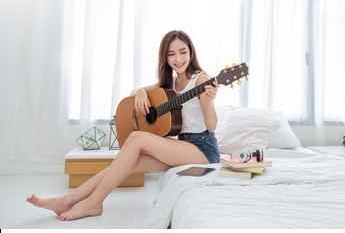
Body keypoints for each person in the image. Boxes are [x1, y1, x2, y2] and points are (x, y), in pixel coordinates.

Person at [27, 30, 220, 221]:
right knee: (130, 161)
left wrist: (209, 101)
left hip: (203, 149)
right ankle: (67, 199)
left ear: (191, 52)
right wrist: (140, 93)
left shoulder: (201, 79)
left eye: (182, 52)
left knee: (136, 138)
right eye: (171, 54)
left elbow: (211, 126)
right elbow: (137, 90)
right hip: (183, 145)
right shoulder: (173, 81)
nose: (178, 58)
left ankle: (94, 203)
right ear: (165, 57)